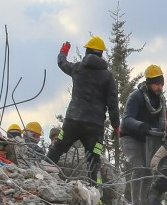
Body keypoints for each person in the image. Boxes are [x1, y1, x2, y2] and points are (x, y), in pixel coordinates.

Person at [46, 37, 119, 182]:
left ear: (87, 51)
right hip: (95, 127)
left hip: (73, 120)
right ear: (101, 54)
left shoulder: (78, 68)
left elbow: (62, 63)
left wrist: (63, 52)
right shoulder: (108, 76)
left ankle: (40, 176)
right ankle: (95, 192)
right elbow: (112, 103)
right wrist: (116, 126)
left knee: (57, 148)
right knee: (94, 160)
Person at [120, 64, 167, 205]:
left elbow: (162, 122)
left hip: (148, 138)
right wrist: (140, 125)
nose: (159, 87)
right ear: (148, 83)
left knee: (148, 170)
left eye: (161, 84)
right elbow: (127, 119)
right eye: (156, 84)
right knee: (139, 167)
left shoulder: (161, 101)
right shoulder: (136, 97)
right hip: (130, 136)